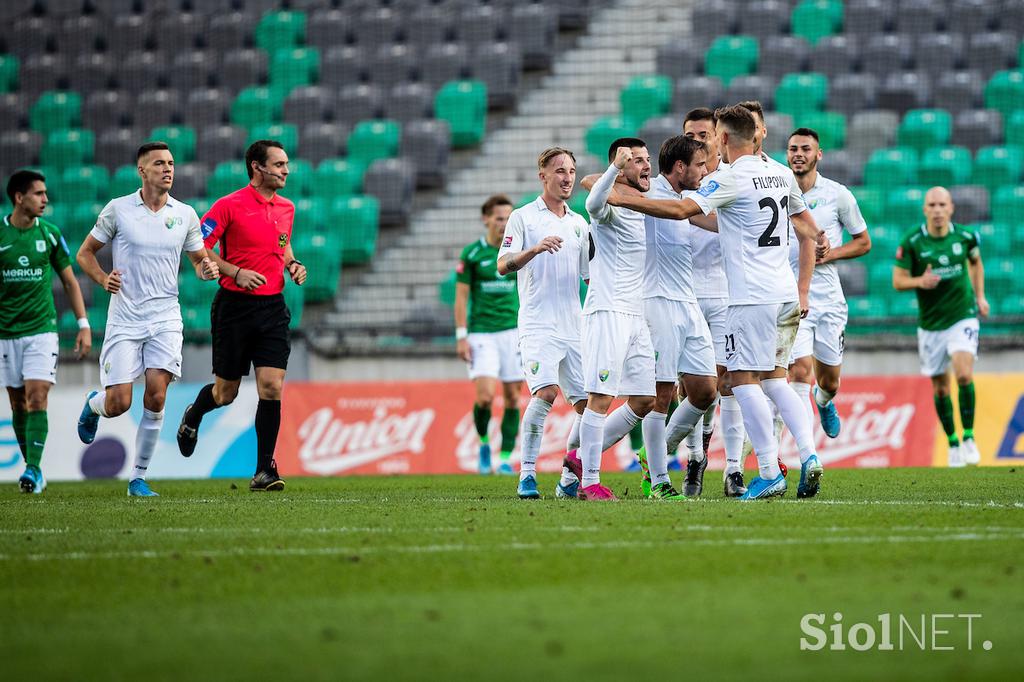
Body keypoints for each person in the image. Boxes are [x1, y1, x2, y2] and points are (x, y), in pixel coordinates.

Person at [602, 106, 829, 500]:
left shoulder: (730, 177)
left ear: (723, 139)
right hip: (785, 294)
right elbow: (804, 222)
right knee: (777, 380)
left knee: (741, 382)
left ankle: (768, 469)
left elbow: (679, 209)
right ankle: (809, 457)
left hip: (749, 298)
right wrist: (820, 237)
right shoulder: (779, 173)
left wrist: (622, 200)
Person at [76, 142, 218, 497]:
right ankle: (94, 404)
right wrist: (102, 277)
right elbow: (85, 253)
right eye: (159, 163)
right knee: (119, 402)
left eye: (171, 163)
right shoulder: (119, 210)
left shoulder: (184, 213)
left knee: (156, 396)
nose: (168, 169)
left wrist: (206, 269)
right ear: (142, 171)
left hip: (165, 317)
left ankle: (138, 478)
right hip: (125, 318)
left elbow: (199, 260)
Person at [175, 140, 307, 491]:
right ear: (256, 167)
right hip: (234, 308)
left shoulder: (287, 208)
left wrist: (292, 264)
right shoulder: (228, 205)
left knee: (271, 386)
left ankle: (264, 469)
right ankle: (194, 413)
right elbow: (198, 246)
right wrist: (234, 272)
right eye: (278, 164)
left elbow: (282, 243)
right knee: (226, 393)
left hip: (273, 308)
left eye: (286, 164)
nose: (286, 170)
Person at [577, 138, 672, 501]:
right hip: (607, 312)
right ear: (620, 167)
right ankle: (589, 481)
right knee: (599, 398)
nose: (646, 165)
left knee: (645, 399)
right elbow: (592, 201)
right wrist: (614, 168)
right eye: (637, 161)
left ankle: (577, 457)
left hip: (635, 314)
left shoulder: (639, 205)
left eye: (648, 159)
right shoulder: (609, 207)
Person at [497, 147, 590, 499]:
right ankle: (527, 475)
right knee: (547, 393)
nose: (567, 178)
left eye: (571, 171)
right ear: (543, 176)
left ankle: (568, 477)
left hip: (574, 326)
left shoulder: (579, 223)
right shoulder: (523, 217)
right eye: (560, 171)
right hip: (538, 324)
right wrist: (534, 250)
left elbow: (588, 279)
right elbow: (502, 265)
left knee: (588, 406)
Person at [634, 135, 718, 498]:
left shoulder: (685, 202)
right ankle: (659, 481)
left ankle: (656, 450)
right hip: (658, 301)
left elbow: (717, 223)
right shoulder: (648, 191)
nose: (704, 170)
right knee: (662, 395)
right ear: (680, 166)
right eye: (699, 164)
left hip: (689, 303)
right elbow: (593, 184)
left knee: (705, 391)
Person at [1, 170, 91, 493]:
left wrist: (83, 324)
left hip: (42, 330)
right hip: (6, 333)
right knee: (17, 405)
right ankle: (33, 470)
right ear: (18, 198)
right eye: (38, 194)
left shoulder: (50, 234)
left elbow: (69, 282)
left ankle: (33, 469)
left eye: (45, 193)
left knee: (37, 395)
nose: (45, 199)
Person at [786, 128, 872, 437]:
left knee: (829, 381)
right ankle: (804, 450)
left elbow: (863, 242)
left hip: (828, 298)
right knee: (798, 370)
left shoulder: (838, 194)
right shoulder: (777, 193)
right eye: (793, 148)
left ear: (818, 155)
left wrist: (830, 253)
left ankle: (824, 401)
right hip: (792, 295)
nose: (798, 153)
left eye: (806, 149)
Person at [893, 187, 987, 467]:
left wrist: (980, 296)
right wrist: (919, 282)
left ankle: (969, 436)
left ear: (951, 208)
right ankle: (953, 443)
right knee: (941, 389)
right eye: (931, 205)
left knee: (964, 375)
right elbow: (898, 281)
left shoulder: (966, 237)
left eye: (942, 204)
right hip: (931, 324)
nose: (937, 210)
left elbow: (976, 263)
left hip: (963, 315)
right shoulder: (912, 241)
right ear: (925, 209)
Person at [683, 107, 747, 496]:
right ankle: (695, 457)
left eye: (703, 135)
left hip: (724, 294)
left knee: (729, 382)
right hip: (684, 295)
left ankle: (734, 469)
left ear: (717, 138)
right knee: (691, 388)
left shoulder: (730, 181)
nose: (696, 141)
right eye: (689, 134)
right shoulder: (673, 183)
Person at [455, 194, 523, 475]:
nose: (503, 223)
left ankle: (505, 457)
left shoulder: (517, 253)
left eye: (508, 218)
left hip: (513, 332)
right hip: (482, 333)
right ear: (486, 219)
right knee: (484, 397)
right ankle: (484, 443)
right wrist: (461, 335)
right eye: (498, 218)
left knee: (512, 399)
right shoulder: (472, 254)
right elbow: (461, 298)